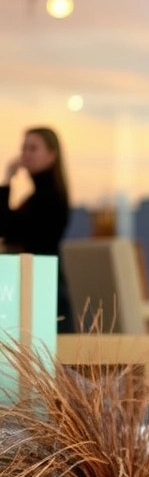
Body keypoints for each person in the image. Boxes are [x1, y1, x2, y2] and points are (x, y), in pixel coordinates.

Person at [0, 125, 72, 330]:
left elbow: (7, 228)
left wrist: (7, 180)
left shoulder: (50, 197)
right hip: (38, 286)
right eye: (24, 149)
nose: (25, 155)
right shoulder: (37, 197)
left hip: (44, 289)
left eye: (33, 148)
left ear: (52, 155)